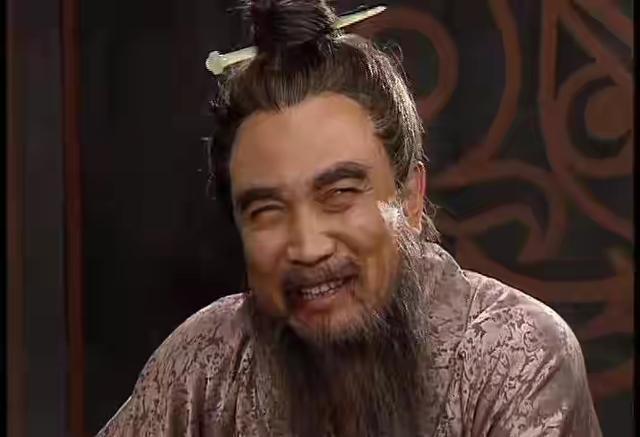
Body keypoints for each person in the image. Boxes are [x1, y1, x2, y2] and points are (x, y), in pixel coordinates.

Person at [97, 1, 602, 435]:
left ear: (411, 198)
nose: (308, 246)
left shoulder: (513, 353)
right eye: (267, 210)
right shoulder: (205, 363)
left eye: (339, 194)